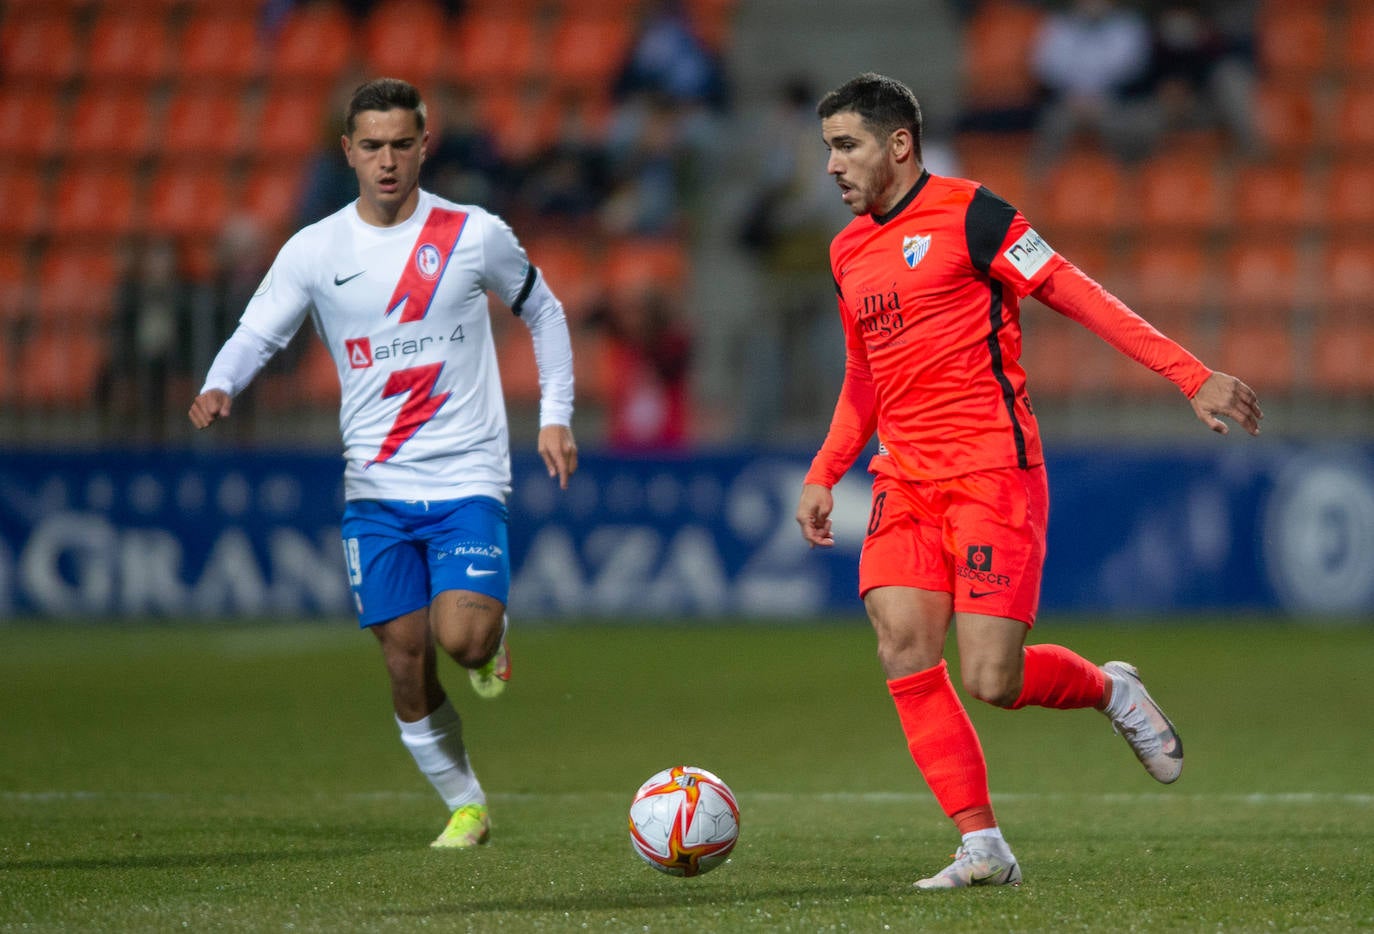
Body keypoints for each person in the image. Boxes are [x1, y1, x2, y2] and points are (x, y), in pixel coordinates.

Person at [795, 73, 1261, 889]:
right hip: (903, 478)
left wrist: (1190, 375)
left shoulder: (977, 215)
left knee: (991, 680)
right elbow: (863, 375)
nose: (831, 165)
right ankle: (983, 848)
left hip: (991, 474)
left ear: (898, 145)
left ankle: (1111, 690)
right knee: (902, 644)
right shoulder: (845, 253)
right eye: (828, 148)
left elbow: (1078, 294)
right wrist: (827, 468)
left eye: (846, 145)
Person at [188, 78, 579, 849]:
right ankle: (466, 804)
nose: (388, 160)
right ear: (348, 152)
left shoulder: (472, 233)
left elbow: (544, 310)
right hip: (375, 489)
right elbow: (258, 329)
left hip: (467, 476)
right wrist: (219, 381)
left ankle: (490, 639)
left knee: (461, 638)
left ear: (424, 145)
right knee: (406, 661)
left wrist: (557, 416)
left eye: (402, 143)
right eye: (372, 146)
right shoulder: (316, 248)